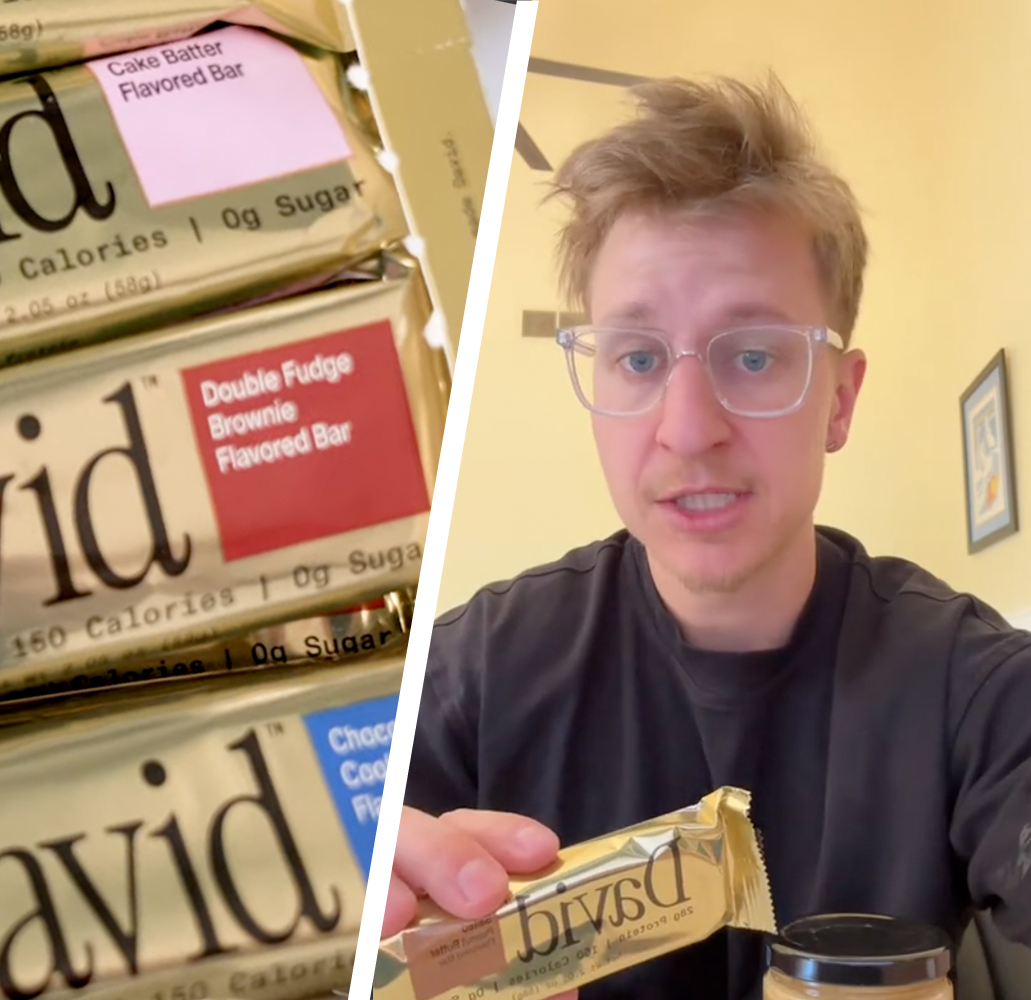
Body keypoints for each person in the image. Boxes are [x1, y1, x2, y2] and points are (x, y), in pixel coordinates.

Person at [382, 74, 1031, 999]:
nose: (688, 430)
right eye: (639, 357)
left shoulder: (974, 687)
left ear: (839, 401)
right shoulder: (462, 680)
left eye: (755, 355)